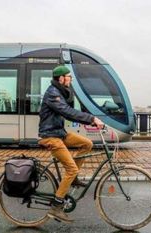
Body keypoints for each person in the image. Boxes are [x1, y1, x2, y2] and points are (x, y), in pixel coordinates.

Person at [38, 65, 104, 223]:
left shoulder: (59, 92)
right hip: (50, 137)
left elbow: (69, 113)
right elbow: (67, 112)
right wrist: (92, 118)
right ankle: (56, 207)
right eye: (69, 77)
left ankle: (72, 178)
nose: (71, 79)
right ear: (61, 78)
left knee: (86, 144)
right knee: (71, 168)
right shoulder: (53, 94)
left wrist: (90, 121)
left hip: (59, 133)